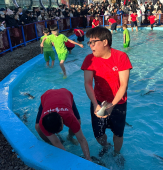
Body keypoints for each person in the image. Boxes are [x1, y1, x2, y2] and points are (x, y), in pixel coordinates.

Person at [81, 27, 133, 160]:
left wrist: (112, 105)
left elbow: (123, 85)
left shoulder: (121, 57)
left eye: (93, 42)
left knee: (118, 133)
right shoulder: (89, 59)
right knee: (98, 134)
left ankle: (116, 153)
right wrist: (94, 104)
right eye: (89, 43)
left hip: (118, 102)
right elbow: (87, 83)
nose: (90, 46)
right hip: (98, 100)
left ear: (105, 42)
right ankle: (106, 147)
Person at [35, 88, 92, 161]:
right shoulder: (43, 122)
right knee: (37, 127)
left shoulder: (70, 117)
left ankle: (70, 137)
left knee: (78, 122)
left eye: (59, 130)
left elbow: (82, 139)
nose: (58, 133)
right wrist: (67, 159)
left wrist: (88, 158)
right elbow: (56, 142)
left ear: (62, 120)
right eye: (55, 132)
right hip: (47, 96)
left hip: (65, 95)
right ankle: (49, 142)